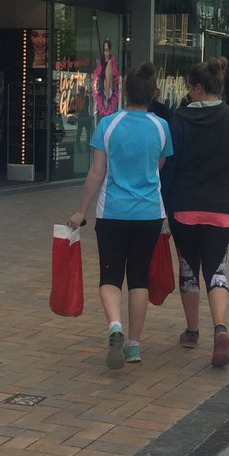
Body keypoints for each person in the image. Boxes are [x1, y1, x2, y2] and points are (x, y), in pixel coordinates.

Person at [68, 63, 173, 368]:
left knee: (110, 276)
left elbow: (96, 172)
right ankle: (134, 346)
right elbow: (160, 165)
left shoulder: (107, 125)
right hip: (149, 213)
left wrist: (80, 211)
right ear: (152, 94)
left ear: (125, 92)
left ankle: (115, 325)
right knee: (139, 278)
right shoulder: (160, 127)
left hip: (112, 212)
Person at [160, 57, 229, 367]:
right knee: (217, 268)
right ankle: (221, 328)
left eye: (189, 86)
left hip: (184, 207)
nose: (187, 92)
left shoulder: (179, 121)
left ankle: (191, 330)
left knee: (189, 268)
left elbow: (169, 168)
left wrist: (165, 200)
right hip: (222, 209)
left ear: (199, 88)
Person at [93, 38, 121, 119]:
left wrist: (106, 100)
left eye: (107, 50)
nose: (105, 53)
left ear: (110, 51)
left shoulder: (109, 64)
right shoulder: (107, 64)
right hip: (105, 98)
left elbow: (108, 83)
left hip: (106, 98)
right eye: (104, 50)